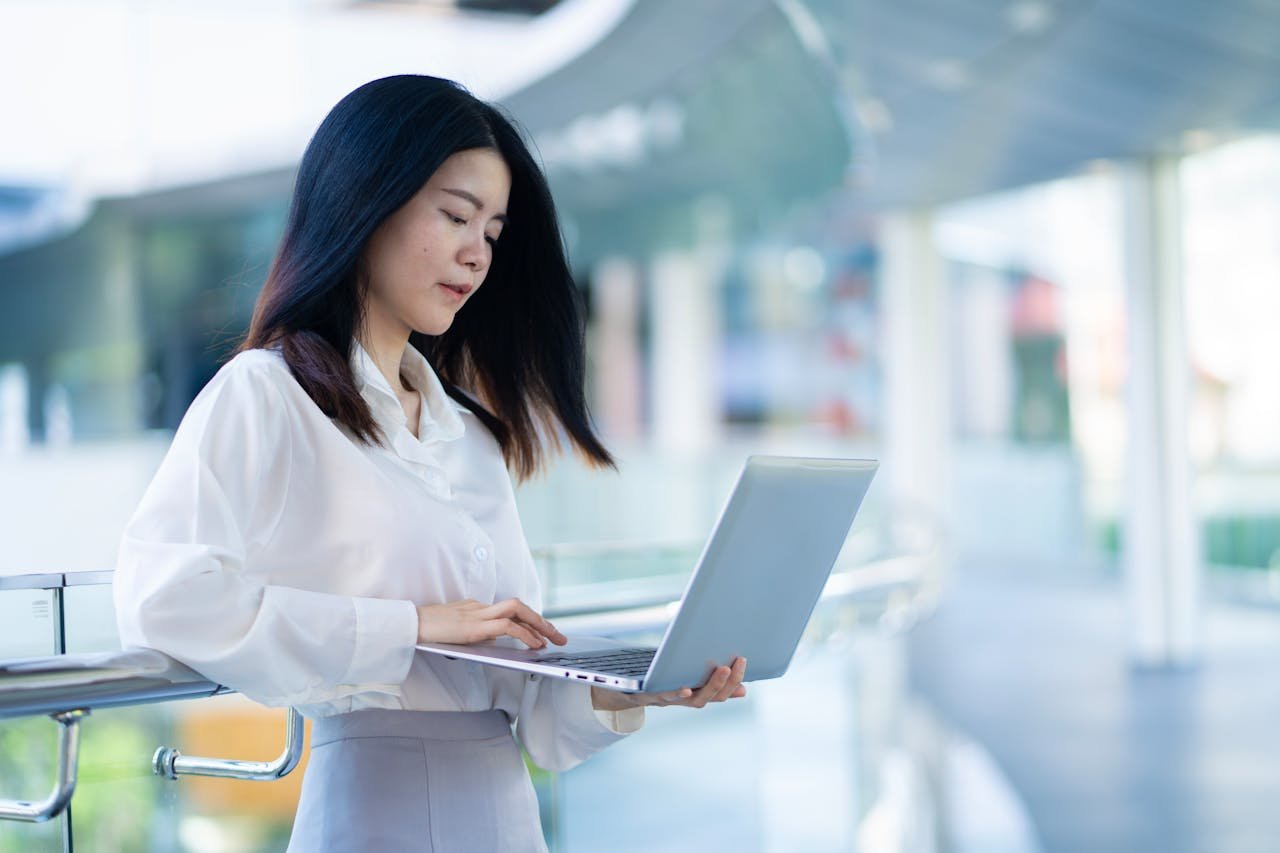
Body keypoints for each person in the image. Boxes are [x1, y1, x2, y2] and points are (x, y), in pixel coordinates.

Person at [112, 74, 747, 851]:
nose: (475, 254)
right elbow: (163, 597)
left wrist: (650, 686)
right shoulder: (267, 395)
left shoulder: (470, 439)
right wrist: (407, 628)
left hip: (505, 811)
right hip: (374, 807)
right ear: (366, 202)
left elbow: (535, 712)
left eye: (492, 232)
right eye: (454, 215)